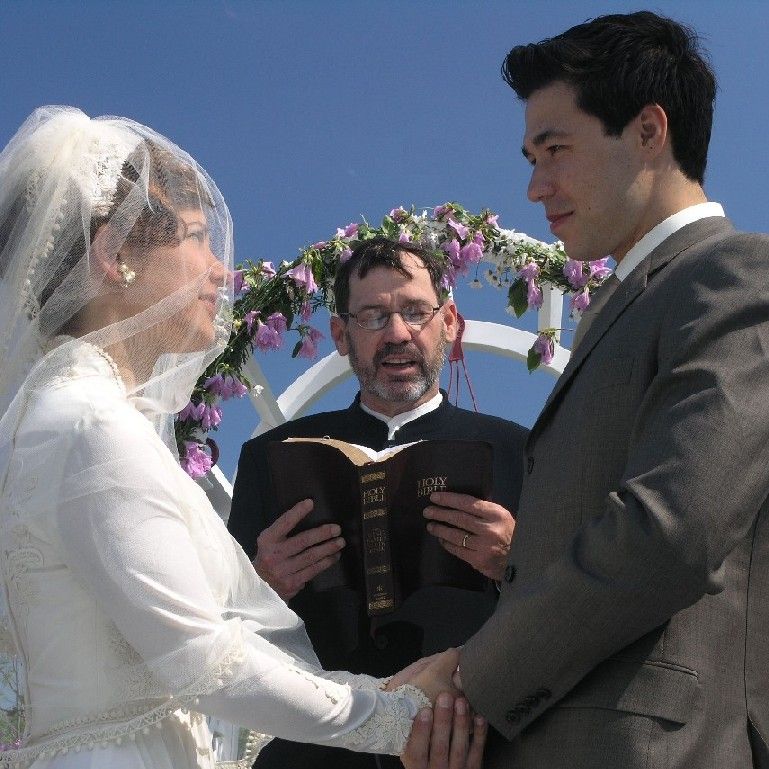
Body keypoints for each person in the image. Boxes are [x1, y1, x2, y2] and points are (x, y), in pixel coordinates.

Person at [0, 107, 467, 769]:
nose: (222, 272)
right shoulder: (88, 424)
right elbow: (205, 661)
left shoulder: (52, 415)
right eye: (195, 237)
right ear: (114, 255)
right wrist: (395, 715)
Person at [441, 10, 769, 768]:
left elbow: (671, 529)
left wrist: (471, 676)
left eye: (554, 150)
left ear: (649, 131)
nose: (533, 185)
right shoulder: (621, 306)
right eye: (529, 156)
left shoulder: (735, 275)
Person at [228, 236, 527, 768]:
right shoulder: (269, 459)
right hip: (313, 752)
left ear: (451, 323)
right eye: (372, 317)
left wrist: (517, 560)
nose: (396, 334)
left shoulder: (521, 451)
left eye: (415, 312)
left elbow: (568, 605)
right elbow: (215, 632)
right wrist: (259, 583)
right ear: (341, 336)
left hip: (473, 750)